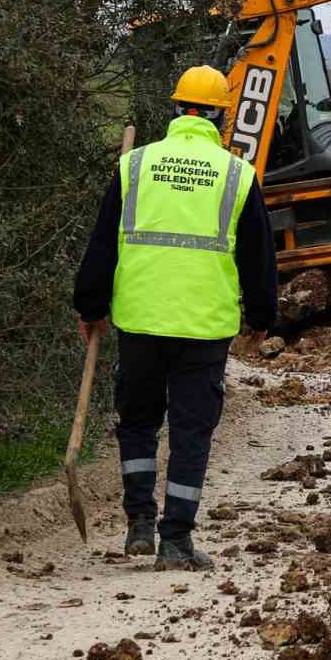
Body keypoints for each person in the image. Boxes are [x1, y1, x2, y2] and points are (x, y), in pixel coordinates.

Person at [73, 65, 278, 571]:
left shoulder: (134, 167)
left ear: (176, 110)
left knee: (138, 422)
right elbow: (258, 256)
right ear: (221, 117)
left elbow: (103, 245)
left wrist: (90, 308)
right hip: (203, 329)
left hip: (140, 320)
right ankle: (177, 541)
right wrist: (262, 315)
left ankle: (139, 521)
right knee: (191, 432)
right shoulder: (237, 174)